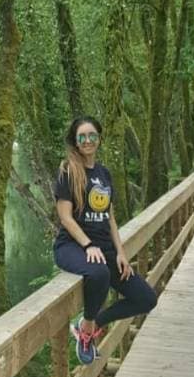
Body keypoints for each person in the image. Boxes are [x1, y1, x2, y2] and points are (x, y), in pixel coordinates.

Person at [52, 116, 157, 364]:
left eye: (92, 136)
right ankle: (87, 331)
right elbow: (65, 217)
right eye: (82, 137)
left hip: (105, 248)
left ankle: (91, 323)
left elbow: (109, 218)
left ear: (99, 139)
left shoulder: (104, 174)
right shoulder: (68, 171)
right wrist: (88, 244)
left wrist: (121, 253)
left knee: (146, 299)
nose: (87, 141)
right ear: (75, 142)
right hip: (72, 246)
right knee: (99, 273)